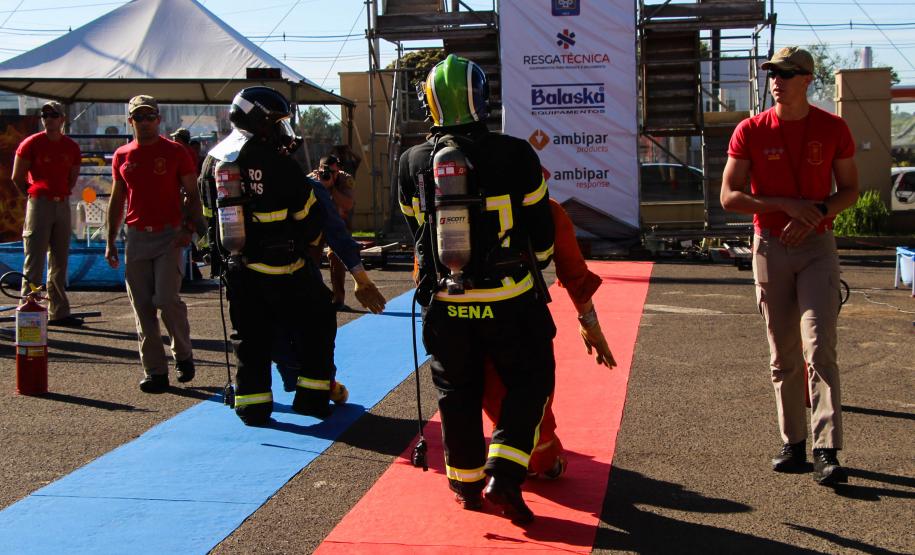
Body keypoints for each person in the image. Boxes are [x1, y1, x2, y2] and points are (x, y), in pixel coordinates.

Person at [399, 54, 556, 523]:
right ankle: (504, 473)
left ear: (431, 103)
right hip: (509, 299)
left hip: (446, 302)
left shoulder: (411, 162)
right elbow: (541, 235)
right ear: (481, 99)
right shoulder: (516, 154)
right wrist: (535, 265)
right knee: (530, 379)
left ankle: (464, 483)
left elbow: (417, 234)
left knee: (456, 390)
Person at [200, 86, 385, 426]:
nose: (281, 131)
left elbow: (209, 218)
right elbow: (309, 219)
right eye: (276, 123)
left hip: (238, 269)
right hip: (285, 268)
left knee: (250, 339)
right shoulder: (279, 164)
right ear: (261, 123)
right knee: (319, 322)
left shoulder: (214, 161)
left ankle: (252, 407)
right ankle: (312, 399)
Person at [720, 46, 859, 485]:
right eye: (772, 73)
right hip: (770, 247)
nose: (776, 80)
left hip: (817, 246)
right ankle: (793, 443)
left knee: (819, 347)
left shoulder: (833, 128)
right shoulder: (751, 129)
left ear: (807, 79)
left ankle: (826, 449)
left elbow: (850, 189)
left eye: (786, 73)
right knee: (783, 354)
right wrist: (784, 204)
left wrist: (815, 213)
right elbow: (729, 195)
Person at [482, 199, 616, 480]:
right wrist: (590, 323)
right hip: (517, 313)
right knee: (532, 393)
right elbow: (573, 269)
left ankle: (469, 479)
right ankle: (536, 459)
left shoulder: (442, 200)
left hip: (455, 316)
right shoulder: (544, 208)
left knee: (470, 396)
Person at [104, 95, 205, 393]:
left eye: (150, 117)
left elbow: (193, 194)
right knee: (142, 307)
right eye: (139, 117)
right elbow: (117, 199)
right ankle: (155, 372)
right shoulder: (122, 155)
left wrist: (189, 228)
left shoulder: (175, 152)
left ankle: (183, 354)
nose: (145, 122)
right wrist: (110, 240)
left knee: (165, 299)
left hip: (169, 236)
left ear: (159, 120)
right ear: (130, 121)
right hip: (136, 236)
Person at [12, 100, 83, 326]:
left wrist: (59, 193)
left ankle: (58, 311)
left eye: (53, 115)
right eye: (45, 115)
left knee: (60, 259)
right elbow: (17, 176)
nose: (48, 119)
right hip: (39, 203)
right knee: (34, 258)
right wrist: (34, 195)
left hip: (61, 202)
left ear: (62, 119)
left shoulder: (71, 147)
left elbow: (72, 177)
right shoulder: (31, 143)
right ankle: (29, 310)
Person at [308, 154, 356, 309]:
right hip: (317, 224)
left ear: (339, 171)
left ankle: (338, 299)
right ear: (319, 169)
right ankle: (313, 297)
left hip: (337, 225)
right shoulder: (311, 179)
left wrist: (332, 188)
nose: (330, 175)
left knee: (337, 256)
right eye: (326, 172)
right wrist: (318, 185)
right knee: (311, 258)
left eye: (334, 172)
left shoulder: (344, 180)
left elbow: (348, 204)